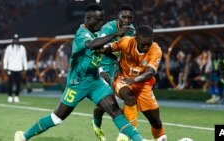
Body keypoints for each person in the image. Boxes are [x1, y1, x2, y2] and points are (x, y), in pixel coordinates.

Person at [14, 3, 150, 141]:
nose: (101, 23)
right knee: (57, 118)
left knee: (115, 111)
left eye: (102, 19)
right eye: (98, 20)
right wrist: (116, 34)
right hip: (77, 83)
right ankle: (23, 136)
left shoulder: (97, 32)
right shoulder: (81, 33)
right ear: (88, 18)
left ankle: (140, 140)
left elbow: (106, 50)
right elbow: (92, 45)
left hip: (95, 81)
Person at [97, 25, 167, 141]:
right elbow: (108, 49)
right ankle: (128, 135)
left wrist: (134, 80)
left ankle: (160, 138)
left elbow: (150, 72)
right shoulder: (126, 42)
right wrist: (98, 49)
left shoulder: (155, 49)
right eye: (142, 44)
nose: (146, 47)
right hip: (122, 79)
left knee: (156, 122)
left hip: (142, 85)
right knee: (129, 97)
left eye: (148, 44)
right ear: (136, 39)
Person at [91, 4, 135, 141]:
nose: (127, 20)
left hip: (117, 69)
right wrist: (99, 69)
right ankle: (96, 123)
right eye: (124, 17)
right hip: (103, 68)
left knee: (129, 97)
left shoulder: (132, 31)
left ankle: (123, 135)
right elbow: (96, 49)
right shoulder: (108, 29)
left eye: (130, 17)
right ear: (118, 18)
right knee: (105, 105)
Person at [3, 34, 28, 103]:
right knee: (10, 83)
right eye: (14, 39)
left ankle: (16, 96)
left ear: (18, 40)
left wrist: (25, 68)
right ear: (13, 40)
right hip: (11, 68)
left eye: (17, 39)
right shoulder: (9, 48)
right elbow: (6, 58)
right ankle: (10, 96)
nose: (15, 40)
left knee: (18, 83)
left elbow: (24, 58)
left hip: (19, 68)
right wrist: (5, 67)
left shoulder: (22, 48)